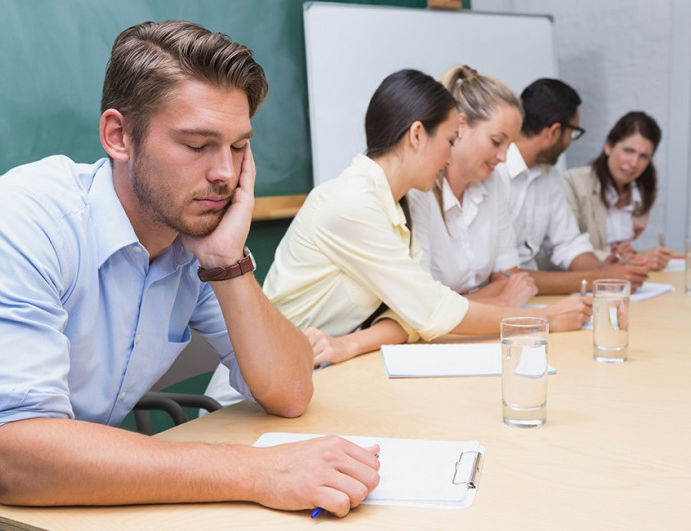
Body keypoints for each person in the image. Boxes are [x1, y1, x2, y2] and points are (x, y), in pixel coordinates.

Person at [0, 21, 381, 523]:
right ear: (119, 136)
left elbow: (291, 392)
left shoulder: (190, 238)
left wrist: (228, 264)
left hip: (65, 494)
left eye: (238, 147)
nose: (226, 175)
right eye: (197, 145)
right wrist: (258, 471)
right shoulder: (19, 221)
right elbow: (16, 459)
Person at [203, 69, 590, 407]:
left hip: (314, 378)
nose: (450, 156)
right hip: (247, 397)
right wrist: (542, 321)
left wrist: (353, 344)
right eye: (451, 141)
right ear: (418, 135)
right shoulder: (353, 202)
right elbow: (431, 310)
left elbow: (410, 314)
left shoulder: (396, 202)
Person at [490, 78, 650, 294]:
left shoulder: (549, 176)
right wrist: (597, 278)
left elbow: (568, 244)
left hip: (530, 299)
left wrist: (608, 271)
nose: (569, 142)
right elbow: (504, 276)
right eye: (572, 132)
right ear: (554, 132)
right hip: (503, 299)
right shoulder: (493, 172)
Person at [408, 65, 536, 307]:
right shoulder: (419, 190)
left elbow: (511, 278)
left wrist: (471, 300)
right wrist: (500, 299)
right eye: (496, 141)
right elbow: (423, 307)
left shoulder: (493, 181)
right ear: (461, 125)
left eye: (509, 147)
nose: (503, 158)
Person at [562, 111, 671, 270]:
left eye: (644, 156)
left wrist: (627, 252)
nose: (634, 163)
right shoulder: (573, 182)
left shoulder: (642, 191)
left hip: (619, 278)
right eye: (628, 151)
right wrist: (627, 259)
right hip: (585, 279)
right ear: (608, 147)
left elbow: (618, 247)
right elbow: (567, 248)